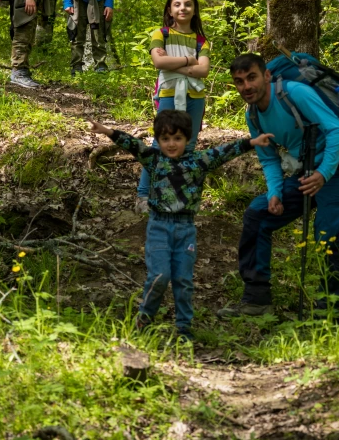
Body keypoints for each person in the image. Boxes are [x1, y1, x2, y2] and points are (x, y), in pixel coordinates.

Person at [89, 110, 273, 340]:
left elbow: (224, 152)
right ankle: (143, 320)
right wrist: (108, 131)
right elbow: (133, 145)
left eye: (177, 138)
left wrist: (251, 142)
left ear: (187, 138)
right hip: (159, 227)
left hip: (185, 229)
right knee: (160, 276)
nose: (171, 144)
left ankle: (184, 329)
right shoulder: (154, 159)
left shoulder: (199, 162)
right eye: (165, 139)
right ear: (158, 140)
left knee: (183, 280)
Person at [218, 53, 339, 318]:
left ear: (267, 75)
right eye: (239, 82)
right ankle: (257, 299)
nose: (246, 86)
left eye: (251, 77)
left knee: (330, 233)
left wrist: (324, 173)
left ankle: (329, 309)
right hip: (306, 171)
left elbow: (336, 131)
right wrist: (275, 193)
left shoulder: (295, 93)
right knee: (258, 215)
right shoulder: (253, 115)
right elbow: (268, 158)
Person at [135, 0, 210, 213]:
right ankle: (143, 196)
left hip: (195, 97)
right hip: (168, 94)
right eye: (177, 4)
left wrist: (174, 64)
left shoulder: (201, 40)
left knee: (188, 145)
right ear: (170, 9)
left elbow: (204, 70)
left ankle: (177, 196)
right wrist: (189, 60)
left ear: (195, 10)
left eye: (187, 4)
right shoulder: (161, 34)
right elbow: (159, 63)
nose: (182, 8)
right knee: (161, 145)